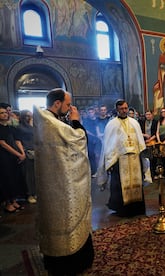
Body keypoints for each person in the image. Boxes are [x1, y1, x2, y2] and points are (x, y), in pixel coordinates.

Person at [33, 88, 94, 275]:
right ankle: (71, 261)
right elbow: (79, 139)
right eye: (68, 105)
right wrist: (76, 120)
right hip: (63, 186)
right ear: (57, 103)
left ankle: (55, 260)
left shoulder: (44, 120)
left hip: (52, 184)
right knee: (67, 219)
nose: (69, 108)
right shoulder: (52, 123)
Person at [97, 99, 151, 217]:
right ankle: (122, 209)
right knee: (119, 186)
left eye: (126, 108)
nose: (124, 110)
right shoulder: (112, 124)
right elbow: (109, 144)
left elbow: (140, 141)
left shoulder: (134, 122)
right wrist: (111, 160)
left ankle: (137, 208)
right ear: (117, 110)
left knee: (137, 183)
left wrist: (142, 154)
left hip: (135, 158)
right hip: (120, 160)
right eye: (121, 109)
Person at [0, 106, 26, 213]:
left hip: (14, 156)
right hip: (4, 157)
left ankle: (14, 200)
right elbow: (3, 144)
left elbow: (17, 140)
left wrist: (22, 153)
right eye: (1, 113)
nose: (5, 114)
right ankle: (8, 203)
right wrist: (17, 154)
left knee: (15, 178)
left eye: (5, 112)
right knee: (7, 179)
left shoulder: (11, 127)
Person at [17, 109, 36, 204]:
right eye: (28, 116)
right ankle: (30, 194)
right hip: (27, 151)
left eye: (31, 115)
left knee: (35, 174)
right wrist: (22, 151)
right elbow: (18, 140)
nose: (29, 117)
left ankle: (35, 192)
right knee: (29, 175)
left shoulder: (32, 125)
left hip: (35, 151)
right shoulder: (20, 127)